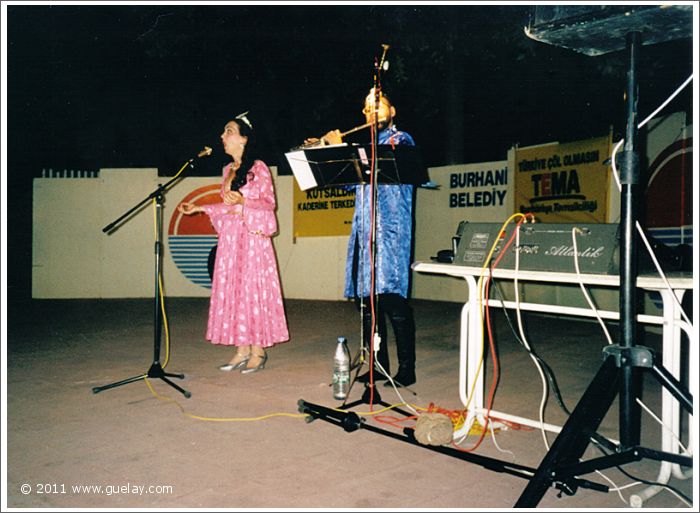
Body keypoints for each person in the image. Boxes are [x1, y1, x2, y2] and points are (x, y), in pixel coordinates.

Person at [315, 89, 417, 387]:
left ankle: (407, 369)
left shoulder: (401, 139)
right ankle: (377, 365)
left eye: (378, 106)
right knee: (366, 302)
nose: (370, 112)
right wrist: (326, 152)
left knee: (391, 299)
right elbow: (347, 182)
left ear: (392, 111)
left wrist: (343, 147)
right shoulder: (362, 147)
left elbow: (387, 166)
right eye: (366, 108)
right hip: (363, 232)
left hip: (390, 233)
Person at [178, 112, 289, 373]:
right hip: (231, 240)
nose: (222, 136)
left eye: (229, 131)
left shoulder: (258, 168)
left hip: (252, 240)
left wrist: (243, 202)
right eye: (224, 132)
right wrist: (198, 208)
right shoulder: (227, 170)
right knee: (235, 290)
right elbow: (226, 205)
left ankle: (258, 351)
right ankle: (241, 349)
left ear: (244, 139)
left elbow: (269, 204)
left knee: (251, 290)